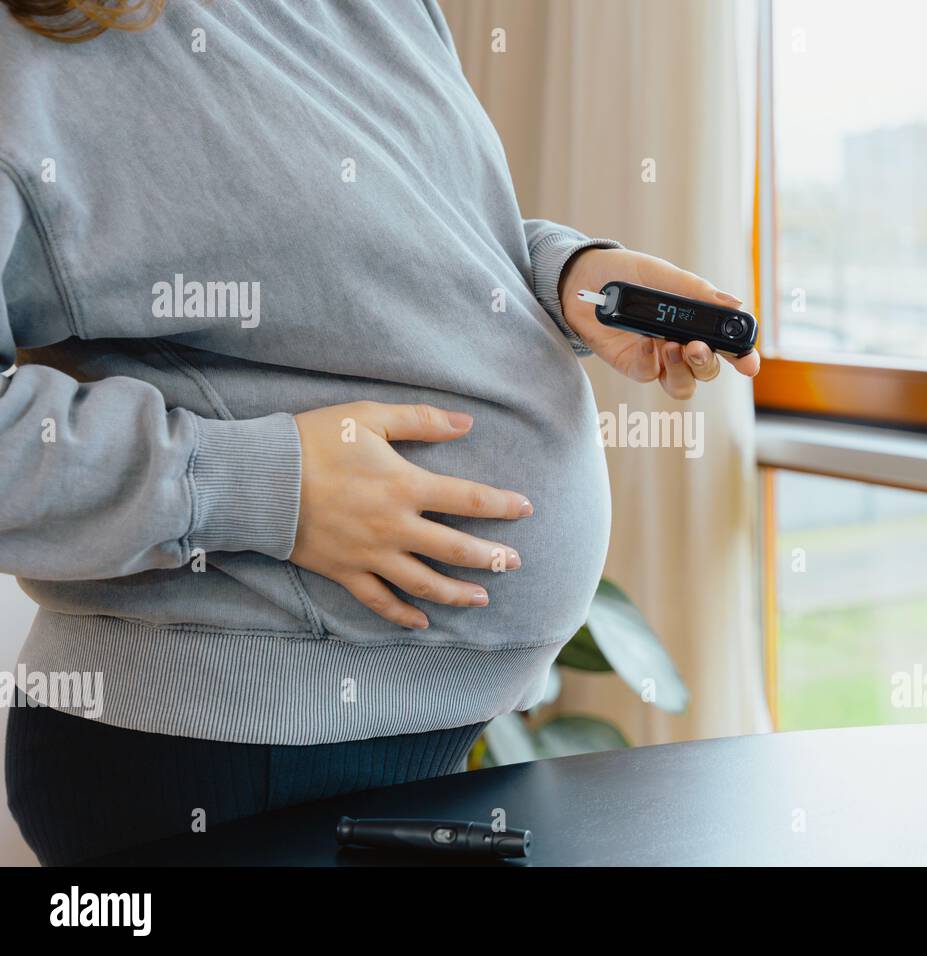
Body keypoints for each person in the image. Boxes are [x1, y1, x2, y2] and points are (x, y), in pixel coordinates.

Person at [0, 0, 758, 864]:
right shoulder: (32, 49)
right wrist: (259, 484)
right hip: (217, 755)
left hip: (421, 739)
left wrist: (560, 275)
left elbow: (412, 238)